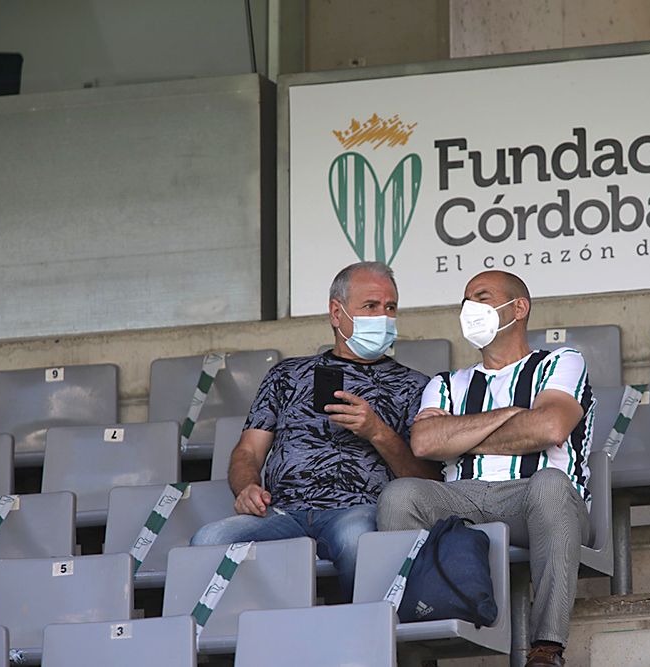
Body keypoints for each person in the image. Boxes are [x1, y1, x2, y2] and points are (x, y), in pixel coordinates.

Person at [377, 270, 593, 667]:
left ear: (519, 307)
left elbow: (550, 426)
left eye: (482, 297)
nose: (470, 309)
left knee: (549, 482)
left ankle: (547, 646)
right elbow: (425, 443)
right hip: (462, 496)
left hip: (534, 496)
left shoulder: (561, 361)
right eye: (465, 301)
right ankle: (412, 638)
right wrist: (511, 415)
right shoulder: (448, 383)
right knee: (400, 494)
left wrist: (460, 435)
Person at [192, 261, 440, 599]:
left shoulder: (416, 386)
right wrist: (247, 487)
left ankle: (369, 641)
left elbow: (428, 482)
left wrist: (377, 432)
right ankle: (241, 648)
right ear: (336, 314)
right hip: (281, 512)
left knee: (358, 541)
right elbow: (248, 451)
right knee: (208, 541)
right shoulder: (287, 375)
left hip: (359, 510)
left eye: (390, 307)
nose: (383, 316)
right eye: (370, 306)